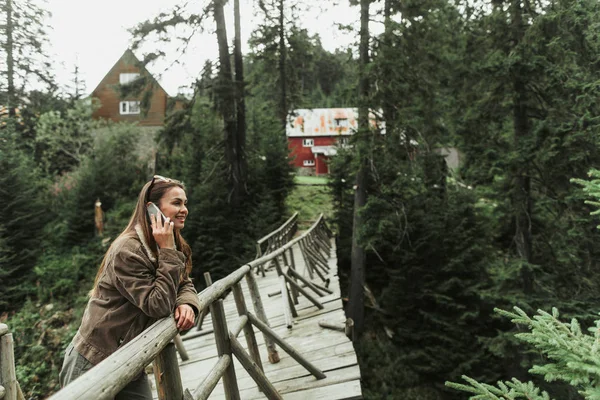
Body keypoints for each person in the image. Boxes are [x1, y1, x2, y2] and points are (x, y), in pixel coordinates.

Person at [59, 175, 200, 399]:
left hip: (131, 358)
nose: (184, 209)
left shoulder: (167, 243)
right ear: (151, 208)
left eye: (185, 203)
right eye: (176, 203)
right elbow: (159, 305)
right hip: (92, 361)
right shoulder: (128, 250)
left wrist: (187, 303)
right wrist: (168, 252)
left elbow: (184, 282)